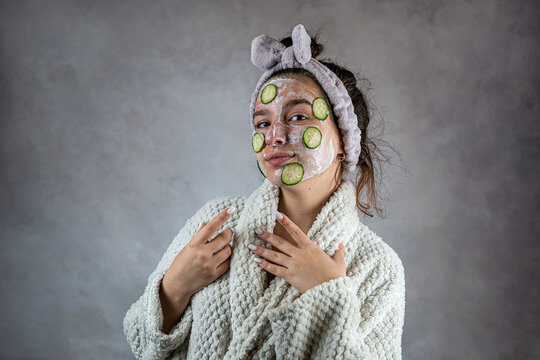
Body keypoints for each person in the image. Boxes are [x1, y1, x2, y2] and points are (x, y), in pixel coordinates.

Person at [123, 24, 406, 360]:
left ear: (345, 139)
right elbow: (141, 343)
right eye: (263, 123)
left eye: (298, 116)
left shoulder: (378, 266)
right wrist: (173, 288)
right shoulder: (218, 222)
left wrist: (327, 297)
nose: (275, 135)